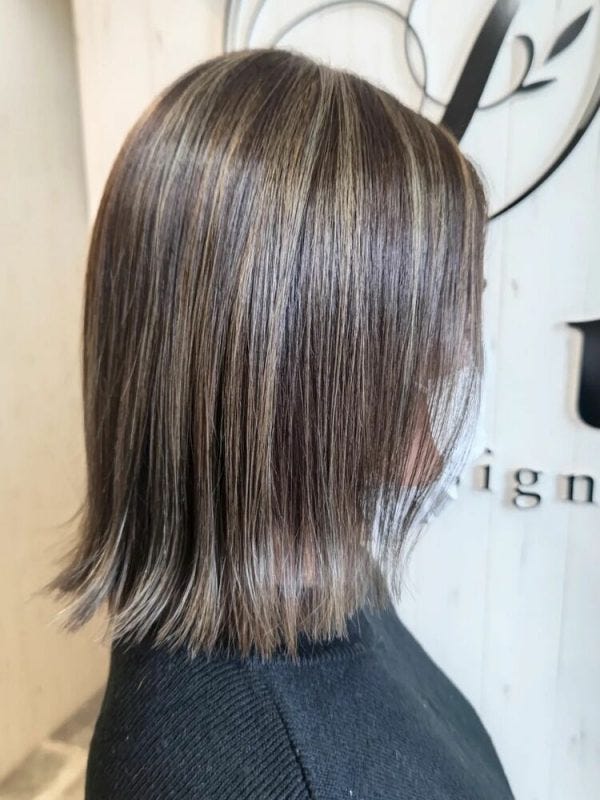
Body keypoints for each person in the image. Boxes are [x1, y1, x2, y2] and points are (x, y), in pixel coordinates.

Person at [48, 48, 514, 799]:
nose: (460, 352)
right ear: (300, 356)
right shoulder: (225, 770)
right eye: (437, 319)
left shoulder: (329, 586)